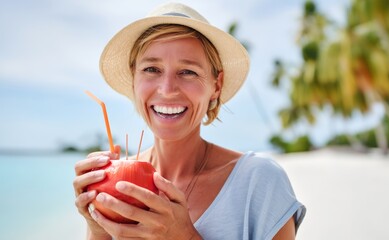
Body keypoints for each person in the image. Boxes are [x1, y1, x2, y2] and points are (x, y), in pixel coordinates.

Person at [73, 2, 306, 239]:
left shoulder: (259, 182)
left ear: (216, 86)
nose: (167, 89)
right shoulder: (116, 189)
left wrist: (185, 235)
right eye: (152, 69)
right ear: (134, 80)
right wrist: (98, 228)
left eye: (188, 72)